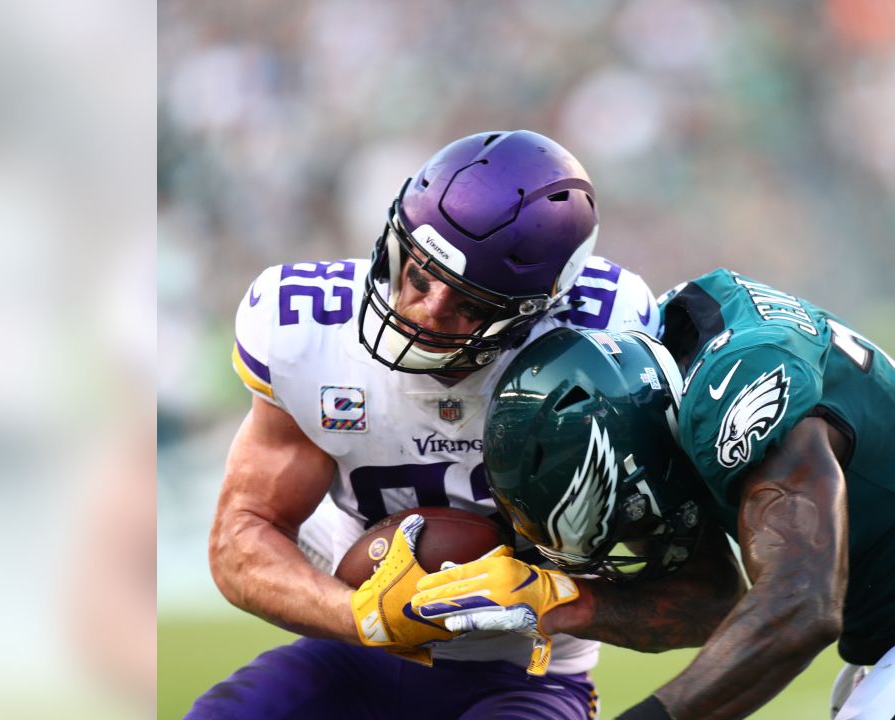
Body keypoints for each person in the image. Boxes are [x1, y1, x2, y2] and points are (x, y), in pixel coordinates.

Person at [189, 131, 744, 719]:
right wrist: (365, 617)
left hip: (528, 676)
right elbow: (240, 540)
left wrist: (558, 599)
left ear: (537, 309)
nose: (426, 312)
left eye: (470, 305)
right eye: (419, 275)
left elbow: (706, 600)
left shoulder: (597, 355)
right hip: (351, 652)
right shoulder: (305, 330)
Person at [409, 269, 895, 719]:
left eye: (625, 514)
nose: (639, 535)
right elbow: (718, 603)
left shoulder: (735, 391)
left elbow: (799, 606)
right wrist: (549, 599)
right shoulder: (680, 354)